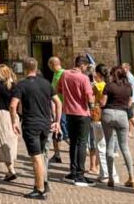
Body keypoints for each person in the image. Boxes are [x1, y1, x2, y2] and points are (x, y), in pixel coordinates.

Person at [11, 57, 60, 199]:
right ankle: (42, 182)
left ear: (25, 69)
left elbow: (13, 105)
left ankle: (40, 189)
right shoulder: (46, 83)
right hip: (46, 123)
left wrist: (14, 121)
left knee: (36, 157)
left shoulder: (21, 85)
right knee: (42, 155)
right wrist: (56, 120)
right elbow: (58, 102)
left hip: (31, 124)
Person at [59, 55, 95, 186]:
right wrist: (92, 108)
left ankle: (73, 171)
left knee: (73, 142)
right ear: (83, 65)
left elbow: (59, 90)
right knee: (82, 143)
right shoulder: (84, 78)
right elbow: (89, 97)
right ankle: (80, 174)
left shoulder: (65, 74)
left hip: (69, 112)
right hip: (82, 113)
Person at [100, 65, 134, 188]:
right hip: (122, 115)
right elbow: (130, 103)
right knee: (124, 147)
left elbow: (103, 102)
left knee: (109, 145)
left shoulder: (109, 86)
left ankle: (110, 177)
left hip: (108, 113)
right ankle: (131, 176)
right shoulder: (128, 87)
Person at [0, 64, 20, 182]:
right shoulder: (14, 86)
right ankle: (11, 167)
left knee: (2, 140)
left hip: (2, 115)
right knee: (12, 141)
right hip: (14, 115)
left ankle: (11, 169)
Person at [88, 64, 110, 181]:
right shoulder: (109, 85)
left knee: (99, 145)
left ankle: (104, 173)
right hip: (108, 116)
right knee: (107, 145)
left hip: (97, 115)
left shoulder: (98, 86)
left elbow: (90, 98)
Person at [47, 56, 65, 164]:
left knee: (63, 132)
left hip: (61, 107)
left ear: (52, 64)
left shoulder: (63, 74)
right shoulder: (55, 74)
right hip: (55, 107)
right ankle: (57, 154)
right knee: (56, 132)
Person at [122, 61, 134, 137]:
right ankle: (129, 132)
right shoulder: (127, 76)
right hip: (129, 99)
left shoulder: (130, 77)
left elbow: (130, 90)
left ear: (127, 68)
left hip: (130, 100)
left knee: (130, 116)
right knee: (128, 116)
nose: (122, 69)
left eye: (123, 68)